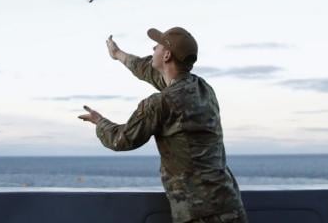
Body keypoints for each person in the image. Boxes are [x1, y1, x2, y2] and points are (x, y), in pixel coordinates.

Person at [78, 27, 247, 223]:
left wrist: (99, 122)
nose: (152, 48)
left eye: (157, 46)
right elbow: (148, 70)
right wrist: (118, 54)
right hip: (230, 204)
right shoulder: (204, 89)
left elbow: (121, 139)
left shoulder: (160, 103)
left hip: (198, 213)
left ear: (166, 55)